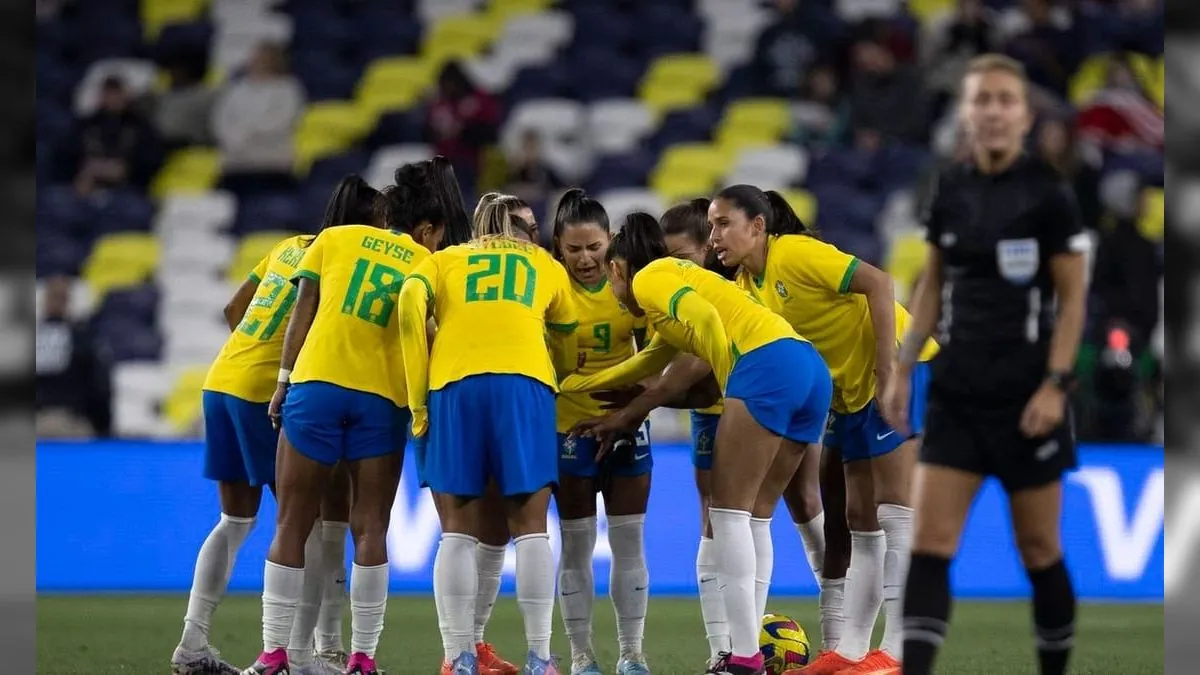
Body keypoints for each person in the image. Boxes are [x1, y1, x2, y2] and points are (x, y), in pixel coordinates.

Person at [880, 54, 1089, 675]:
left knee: (1039, 548)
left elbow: (1074, 297)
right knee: (930, 545)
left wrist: (1055, 386)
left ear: (1023, 116)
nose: (993, 111)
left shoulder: (1049, 195)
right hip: (958, 392)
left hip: (1027, 395)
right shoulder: (950, 188)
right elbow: (930, 283)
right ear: (967, 113)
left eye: (1005, 100)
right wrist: (901, 366)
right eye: (983, 100)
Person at [561, 214, 832, 675]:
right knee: (756, 514)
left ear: (617, 269)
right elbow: (648, 364)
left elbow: (705, 319)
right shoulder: (671, 295)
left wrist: (732, 378)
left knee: (725, 516)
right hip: (807, 367)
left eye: (608, 271)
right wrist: (568, 387)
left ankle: (743, 657)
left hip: (762, 366)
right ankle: (755, 651)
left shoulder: (651, 278)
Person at [708, 185, 938, 675]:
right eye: (710, 226)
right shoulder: (748, 287)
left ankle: (897, 652)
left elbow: (878, 283)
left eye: (723, 223)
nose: (714, 237)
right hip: (851, 395)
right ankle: (853, 649)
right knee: (859, 519)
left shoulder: (794, 254)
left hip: (896, 368)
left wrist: (886, 372)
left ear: (757, 226)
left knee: (895, 510)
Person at [244, 158, 460, 675]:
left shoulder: (334, 239)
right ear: (425, 227)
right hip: (380, 400)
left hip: (316, 385)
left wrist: (282, 382)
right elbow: (429, 333)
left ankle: (274, 654)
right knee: (370, 528)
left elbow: (304, 310)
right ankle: (362, 657)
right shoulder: (425, 262)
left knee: (292, 523)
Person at [170, 175, 377, 675]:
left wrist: (254, 354)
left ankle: (192, 644)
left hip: (222, 379)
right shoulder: (346, 262)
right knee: (301, 523)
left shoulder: (288, 248)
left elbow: (233, 308)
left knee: (236, 521)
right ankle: (302, 657)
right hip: (267, 392)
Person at [398, 198, 579, 675]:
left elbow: (408, 303)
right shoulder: (544, 264)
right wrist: (553, 373)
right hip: (525, 383)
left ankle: (459, 658)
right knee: (531, 529)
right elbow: (567, 336)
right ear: (518, 229)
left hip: (454, 385)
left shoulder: (444, 260)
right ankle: (541, 657)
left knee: (456, 530)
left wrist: (419, 398)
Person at [416, 191, 530, 675]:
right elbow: (415, 319)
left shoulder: (522, 275)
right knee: (458, 529)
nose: (530, 236)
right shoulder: (451, 268)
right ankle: (455, 653)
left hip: (492, 400)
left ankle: (474, 645)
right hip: (454, 402)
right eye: (522, 227)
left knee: (496, 531)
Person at [548, 189, 652, 675]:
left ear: (610, 242)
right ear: (557, 247)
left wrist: (639, 400)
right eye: (574, 249)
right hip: (570, 426)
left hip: (629, 425)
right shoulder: (549, 288)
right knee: (576, 544)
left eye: (594, 247)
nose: (586, 259)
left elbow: (662, 355)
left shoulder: (634, 284)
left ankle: (632, 654)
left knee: (630, 542)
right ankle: (582, 655)